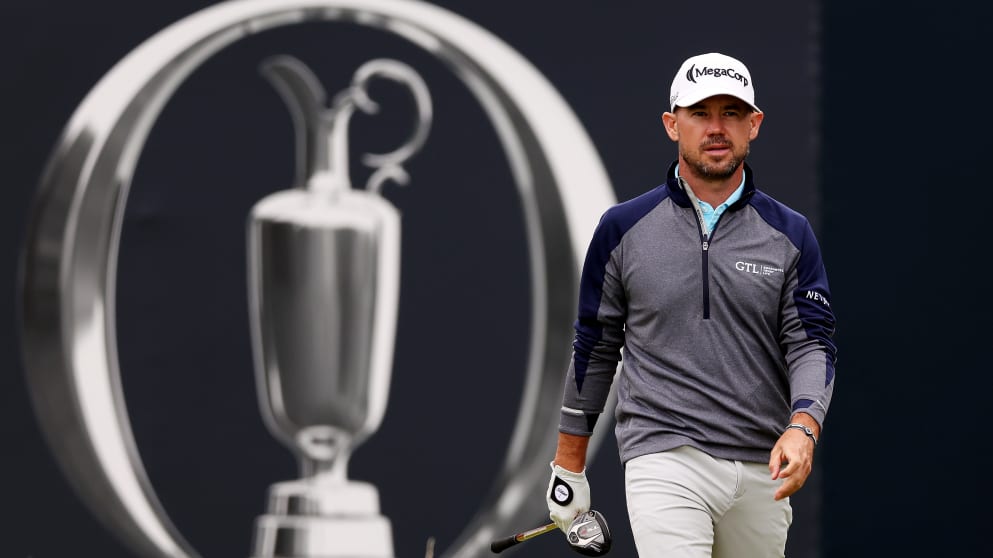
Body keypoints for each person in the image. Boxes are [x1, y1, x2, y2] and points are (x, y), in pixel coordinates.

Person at [544, 52, 837, 558]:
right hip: (664, 455)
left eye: (731, 113)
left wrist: (803, 427)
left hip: (762, 465)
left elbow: (812, 345)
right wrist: (568, 466)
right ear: (672, 124)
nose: (716, 128)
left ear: (754, 124)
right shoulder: (622, 229)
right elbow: (595, 347)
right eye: (700, 113)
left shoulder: (791, 234)